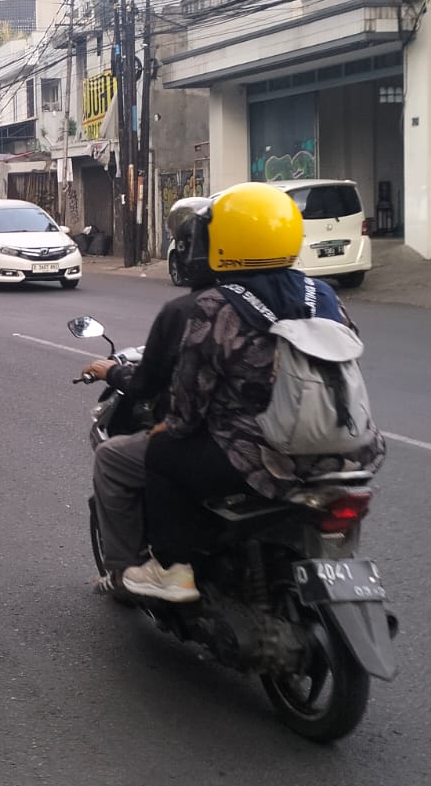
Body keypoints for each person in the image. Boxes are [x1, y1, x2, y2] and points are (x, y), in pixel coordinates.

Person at [122, 182, 385, 604]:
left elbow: (190, 399)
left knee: (162, 452)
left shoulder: (217, 305)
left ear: (223, 239)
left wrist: (170, 428)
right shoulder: (323, 294)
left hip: (266, 459)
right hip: (351, 451)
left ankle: (172, 568)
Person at [84, 202, 214, 596]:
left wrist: (115, 373)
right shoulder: (316, 297)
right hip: (332, 451)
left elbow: (153, 383)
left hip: (234, 449)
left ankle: (141, 571)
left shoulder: (198, 309)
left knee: (122, 456)